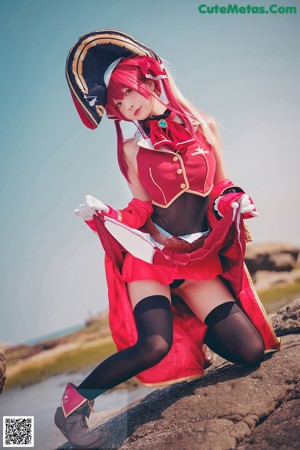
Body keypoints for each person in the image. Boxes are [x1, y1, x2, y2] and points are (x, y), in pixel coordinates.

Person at [55, 30, 280, 448]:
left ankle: (194, 326)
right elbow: (140, 208)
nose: (125, 107)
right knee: (154, 344)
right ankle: (72, 403)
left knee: (249, 352)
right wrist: (108, 216)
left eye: (125, 95)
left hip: (197, 258)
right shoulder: (133, 150)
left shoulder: (205, 127)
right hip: (151, 255)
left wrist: (237, 201)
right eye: (117, 105)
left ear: (145, 76)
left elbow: (221, 184)